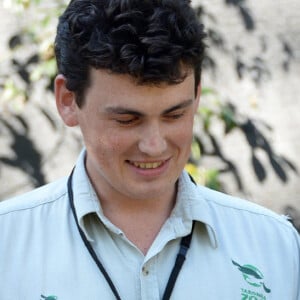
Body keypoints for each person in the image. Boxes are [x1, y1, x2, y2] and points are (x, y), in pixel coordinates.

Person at [0, 0, 299, 299]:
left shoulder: (276, 246)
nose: (154, 146)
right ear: (68, 100)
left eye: (175, 115)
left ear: (196, 95)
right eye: (127, 119)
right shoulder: (7, 244)